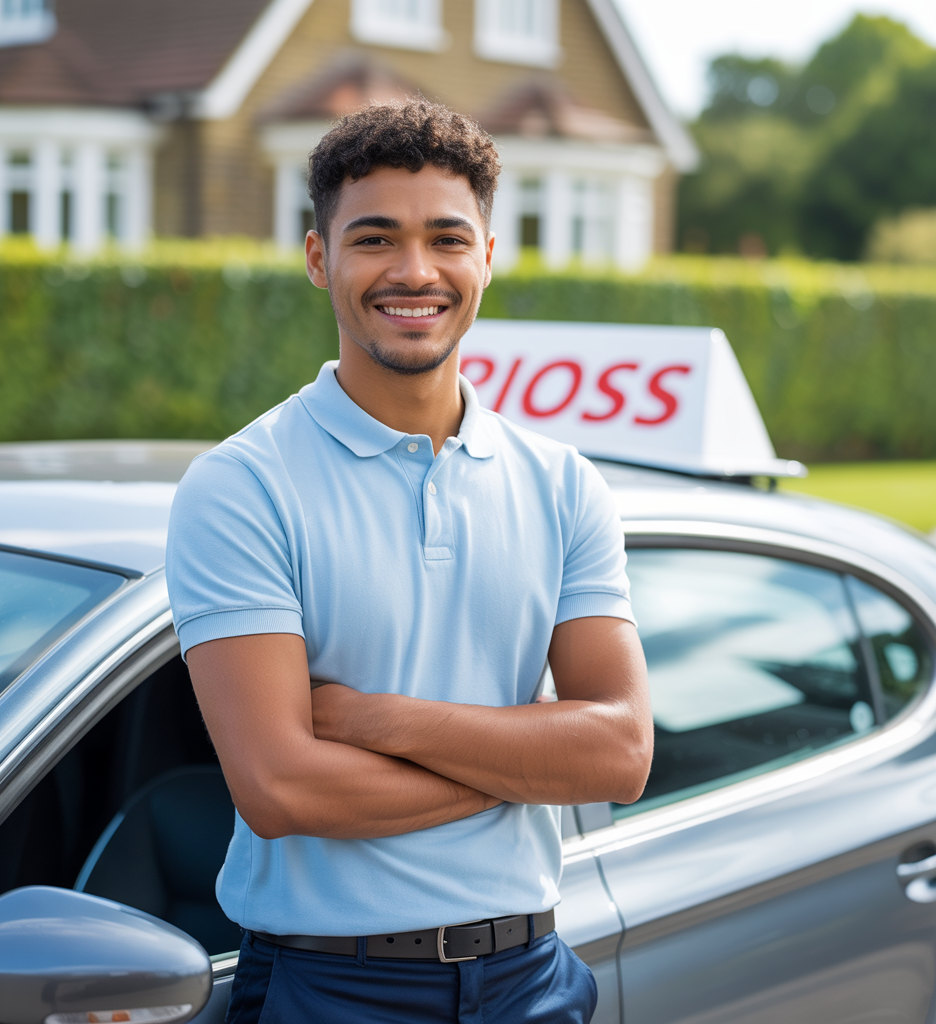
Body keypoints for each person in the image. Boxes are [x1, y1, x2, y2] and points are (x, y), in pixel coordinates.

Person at [165, 99, 653, 1024]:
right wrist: (531, 758)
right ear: (320, 259)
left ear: (488, 259)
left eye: (447, 239)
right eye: (376, 239)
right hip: (334, 989)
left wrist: (372, 718)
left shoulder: (563, 484)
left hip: (533, 980)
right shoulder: (242, 486)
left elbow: (621, 754)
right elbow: (280, 788)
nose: (415, 272)